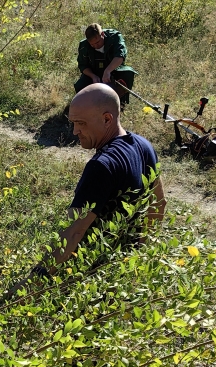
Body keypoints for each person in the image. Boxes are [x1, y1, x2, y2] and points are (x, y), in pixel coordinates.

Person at [37, 84, 165, 276]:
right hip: (122, 269)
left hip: (91, 273)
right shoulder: (143, 145)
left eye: (81, 123)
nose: (75, 131)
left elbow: (73, 233)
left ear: (107, 119)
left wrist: (35, 280)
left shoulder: (102, 166)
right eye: (73, 123)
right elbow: (158, 204)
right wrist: (140, 254)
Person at [74, 24, 135, 105]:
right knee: (80, 85)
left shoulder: (115, 37)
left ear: (102, 34)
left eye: (97, 42)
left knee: (127, 73)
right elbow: (83, 65)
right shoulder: (84, 45)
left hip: (113, 70)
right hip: (94, 72)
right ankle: (91, 105)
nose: (96, 46)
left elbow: (120, 56)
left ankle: (120, 102)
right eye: (92, 44)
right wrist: (93, 76)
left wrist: (108, 71)